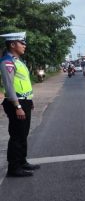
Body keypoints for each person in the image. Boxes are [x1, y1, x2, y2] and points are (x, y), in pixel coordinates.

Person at [0, 32, 40, 177]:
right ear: (12, 45)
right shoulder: (7, 62)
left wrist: (30, 100)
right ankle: (14, 168)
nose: (24, 45)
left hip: (24, 101)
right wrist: (18, 106)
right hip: (16, 103)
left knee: (23, 134)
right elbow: (9, 86)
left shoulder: (18, 61)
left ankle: (22, 162)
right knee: (17, 136)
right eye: (21, 43)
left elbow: (24, 84)